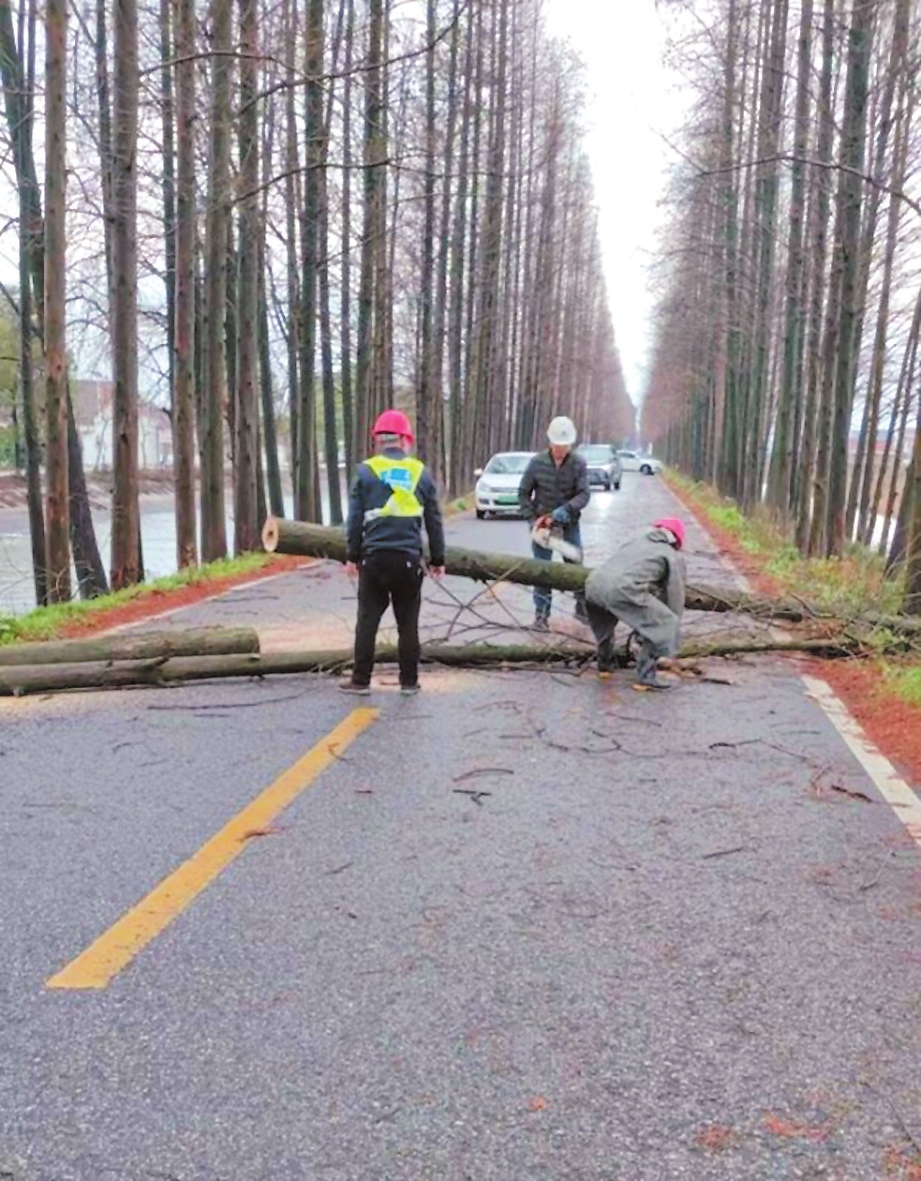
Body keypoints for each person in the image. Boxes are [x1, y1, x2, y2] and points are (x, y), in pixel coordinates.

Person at [341, 410, 445, 696]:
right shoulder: (420, 473)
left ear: (378, 440)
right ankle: (409, 681)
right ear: (404, 440)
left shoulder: (365, 471)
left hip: (374, 559)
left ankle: (361, 680)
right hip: (409, 560)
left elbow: (354, 520)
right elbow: (434, 520)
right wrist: (438, 559)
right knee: (408, 623)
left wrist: (351, 556)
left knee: (367, 621)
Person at [583, 516, 686, 689]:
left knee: (604, 628)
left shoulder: (635, 541)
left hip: (593, 584)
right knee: (664, 622)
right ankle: (646, 677)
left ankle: (605, 666)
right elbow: (674, 594)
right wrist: (668, 627)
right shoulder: (671, 555)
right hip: (622, 589)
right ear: (676, 540)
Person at [518, 415, 591, 630]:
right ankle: (541, 614)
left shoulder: (578, 463)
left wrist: (564, 511)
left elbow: (584, 494)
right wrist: (532, 519)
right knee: (542, 571)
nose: (561, 449)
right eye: (557, 445)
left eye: (565, 445)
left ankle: (581, 606)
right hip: (543, 527)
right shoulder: (537, 463)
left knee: (575, 566)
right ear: (550, 442)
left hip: (568, 525)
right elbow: (523, 493)